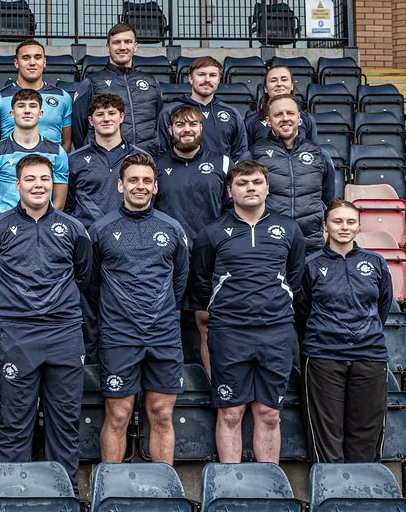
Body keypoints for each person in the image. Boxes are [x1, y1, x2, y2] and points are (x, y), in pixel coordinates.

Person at [0, 154, 92, 488]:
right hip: (15, 333)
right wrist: (14, 306)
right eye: (30, 179)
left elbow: (83, 275)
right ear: (17, 185)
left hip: (64, 333)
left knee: (65, 423)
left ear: (53, 183)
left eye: (44, 178)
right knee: (15, 422)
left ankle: (63, 500)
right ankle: (14, 499)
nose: (38, 185)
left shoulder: (73, 228)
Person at [189, 160, 306, 464]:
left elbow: (293, 278)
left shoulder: (289, 230)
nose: (250, 188)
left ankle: (268, 492)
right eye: (242, 183)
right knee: (231, 411)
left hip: (275, 331)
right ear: (230, 191)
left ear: (267, 187)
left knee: (268, 413)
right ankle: (230, 487)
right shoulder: (212, 232)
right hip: (229, 332)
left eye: (256, 182)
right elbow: (201, 283)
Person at [87, 153, 189, 465]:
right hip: (119, 335)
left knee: (161, 413)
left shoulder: (172, 229)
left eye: (146, 180)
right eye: (133, 180)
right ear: (120, 185)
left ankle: (164, 498)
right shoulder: (101, 229)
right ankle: (111, 492)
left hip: (163, 335)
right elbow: (90, 284)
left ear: (156, 187)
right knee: (118, 414)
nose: (140, 186)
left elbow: (180, 280)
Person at [297, 201, 393, 463]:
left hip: (369, 355)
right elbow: (302, 310)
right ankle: (331, 496)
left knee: (366, 432)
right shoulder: (311, 264)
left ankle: (362, 496)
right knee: (327, 435)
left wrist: (364, 332)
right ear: (325, 226)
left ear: (359, 226)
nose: (344, 227)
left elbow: (382, 306)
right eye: (337, 221)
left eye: (351, 222)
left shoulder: (375, 263)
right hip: (323, 356)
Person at [154, 104, 231, 379]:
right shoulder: (156, 165)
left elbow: (230, 211)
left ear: (201, 128)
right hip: (168, 256)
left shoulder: (222, 162)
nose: (186, 130)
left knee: (206, 321)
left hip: (208, 255)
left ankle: (218, 392)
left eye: (193, 124)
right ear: (170, 130)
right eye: (180, 125)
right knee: (168, 320)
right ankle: (168, 388)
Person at [250, 93, 337, 251]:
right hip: (268, 243)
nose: (285, 118)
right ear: (268, 121)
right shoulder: (254, 155)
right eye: (277, 114)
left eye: (290, 113)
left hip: (311, 245)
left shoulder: (319, 155)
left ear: (299, 118)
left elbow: (328, 200)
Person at [71, 23, 162, 152]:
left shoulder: (151, 82)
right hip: (106, 160)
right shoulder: (92, 82)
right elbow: (79, 130)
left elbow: (159, 122)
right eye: (116, 42)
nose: (122, 47)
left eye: (128, 42)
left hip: (146, 160)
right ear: (108, 47)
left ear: (135, 46)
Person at [67, 93, 147, 231]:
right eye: (100, 114)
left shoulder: (142, 158)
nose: (106, 119)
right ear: (91, 121)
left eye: (111, 113)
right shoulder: (74, 159)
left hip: (130, 234)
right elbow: (68, 206)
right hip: (87, 237)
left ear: (121, 117)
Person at [156, 56, 249, 161]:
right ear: (191, 78)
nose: (207, 80)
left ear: (219, 79)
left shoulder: (232, 113)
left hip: (221, 176)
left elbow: (240, 154)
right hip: (182, 175)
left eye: (213, 75)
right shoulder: (170, 111)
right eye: (201, 75)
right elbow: (162, 151)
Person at [0, 89, 69, 214]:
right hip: (6, 226)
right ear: (12, 113)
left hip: (44, 227)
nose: (27, 111)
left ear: (41, 113)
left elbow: (59, 203)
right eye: (21, 106)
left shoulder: (57, 152)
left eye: (33, 106)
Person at [0, 39, 73, 151]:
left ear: (44, 62)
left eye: (37, 57)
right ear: (16, 63)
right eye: (26, 58)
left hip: (50, 165)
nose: (32, 63)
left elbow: (66, 143)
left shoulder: (63, 97)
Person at [245, 66, 318, 145]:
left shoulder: (307, 120)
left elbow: (313, 152)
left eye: (284, 79)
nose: (279, 84)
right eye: (273, 80)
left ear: (292, 85)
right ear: (265, 88)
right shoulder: (251, 122)